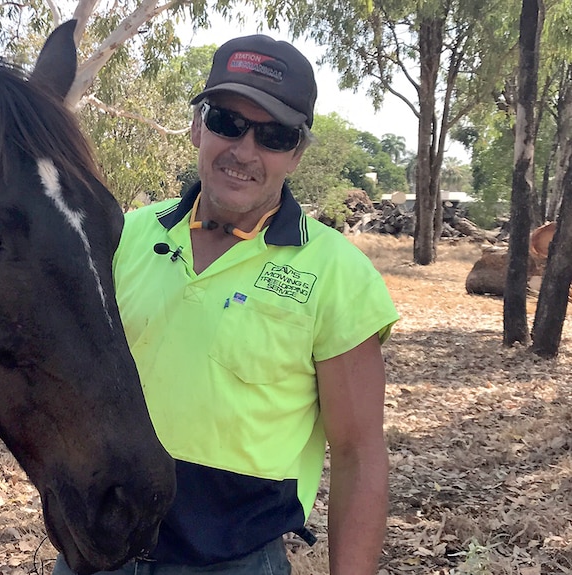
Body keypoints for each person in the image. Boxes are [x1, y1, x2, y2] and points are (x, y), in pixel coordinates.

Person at [53, 33, 399, 575]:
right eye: (227, 122)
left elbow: (358, 453)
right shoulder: (121, 237)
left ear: (298, 153)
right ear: (197, 126)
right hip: (96, 554)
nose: (244, 151)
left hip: (233, 563)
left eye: (274, 135)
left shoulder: (338, 275)